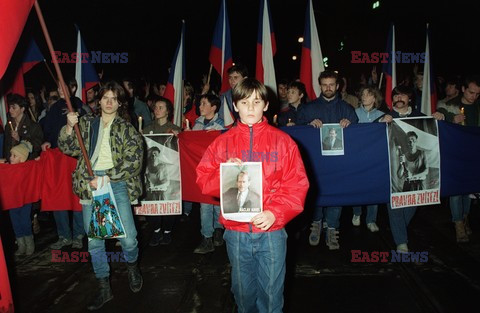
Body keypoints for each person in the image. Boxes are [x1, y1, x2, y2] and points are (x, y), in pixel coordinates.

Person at [196, 78, 309, 313]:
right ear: (235, 106)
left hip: (271, 232)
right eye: (244, 102)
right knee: (243, 295)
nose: (250, 108)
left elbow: (296, 185)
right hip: (236, 234)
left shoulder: (283, 142)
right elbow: (202, 180)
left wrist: (275, 212)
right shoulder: (222, 142)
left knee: (271, 297)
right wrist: (223, 173)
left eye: (256, 102)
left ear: (266, 106)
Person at [58, 81, 144, 310]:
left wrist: (108, 176)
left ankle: (133, 266)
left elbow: (135, 161)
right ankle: (104, 287)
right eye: (105, 97)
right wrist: (68, 126)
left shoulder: (126, 128)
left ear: (119, 103)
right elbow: (67, 147)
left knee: (128, 238)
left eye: (113, 98)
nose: (108, 102)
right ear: (99, 101)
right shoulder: (86, 124)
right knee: (95, 241)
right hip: (91, 184)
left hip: (115, 184)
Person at [297, 70, 358, 250]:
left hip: (339, 163)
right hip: (316, 163)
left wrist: (350, 125)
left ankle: (332, 228)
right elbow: (297, 132)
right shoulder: (308, 108)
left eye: (332, 84)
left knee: (336, 194)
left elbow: (358, 136)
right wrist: (308, 126)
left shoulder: (347, 109)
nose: (328, 88)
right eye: (325, 84)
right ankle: (316, 224)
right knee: (317, 193)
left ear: (338, 86)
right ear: (320, 86)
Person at [434, 76, 480, 242]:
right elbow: (439, 121)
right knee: (455, 189)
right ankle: (458, 224)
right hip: (454, 154)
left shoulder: (478, 107)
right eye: (471, 92)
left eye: (477, 94)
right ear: (463, 89)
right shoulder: (448, 105)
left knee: (468, 189)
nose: (474, 96)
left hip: (473, 155)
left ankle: (465, 217)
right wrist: (451, 120)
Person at [188, 94, 225, 254]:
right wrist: (185, 135)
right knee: (205, 204)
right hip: (203, 171)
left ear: (214, 107)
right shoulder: (197, 124)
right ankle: (207, 237)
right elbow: (190, 143)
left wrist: (218, 133)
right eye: (200, 103)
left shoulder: (223, 125)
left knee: (217, 203)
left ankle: (219, 230)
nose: (200, 106)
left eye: (204, 103)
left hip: (218, 170)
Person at [351, 87, 385, 232]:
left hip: (374, 158)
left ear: (375, 98)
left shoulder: (382, 115)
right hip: (358, 157)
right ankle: (357, 213)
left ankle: (371, 219)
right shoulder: (354, 113)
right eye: (363, 94)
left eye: (368, 94)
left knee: (373, 187)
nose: (364, 96)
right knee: (357, 186)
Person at [0, 141, 36, 256]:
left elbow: (36, 165)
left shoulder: (26, 167)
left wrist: (41, 158)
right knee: (15, 223)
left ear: (22, 158)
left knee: (25, 222)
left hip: (25, 201)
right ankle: (21, 245)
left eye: (14, 156)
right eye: (11, 155)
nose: (10, 158)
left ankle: (30, 244)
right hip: (12, 202)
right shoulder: (7, 169)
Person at [3, 94, 43, 161]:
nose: (10, 110)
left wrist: (20, 139)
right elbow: (6, 146)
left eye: (14, 108)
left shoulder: (33, 126)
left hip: (26, 163)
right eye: (9, 107)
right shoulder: (8, 125)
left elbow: (38, 145)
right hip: (11, 163)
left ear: (22, 109)